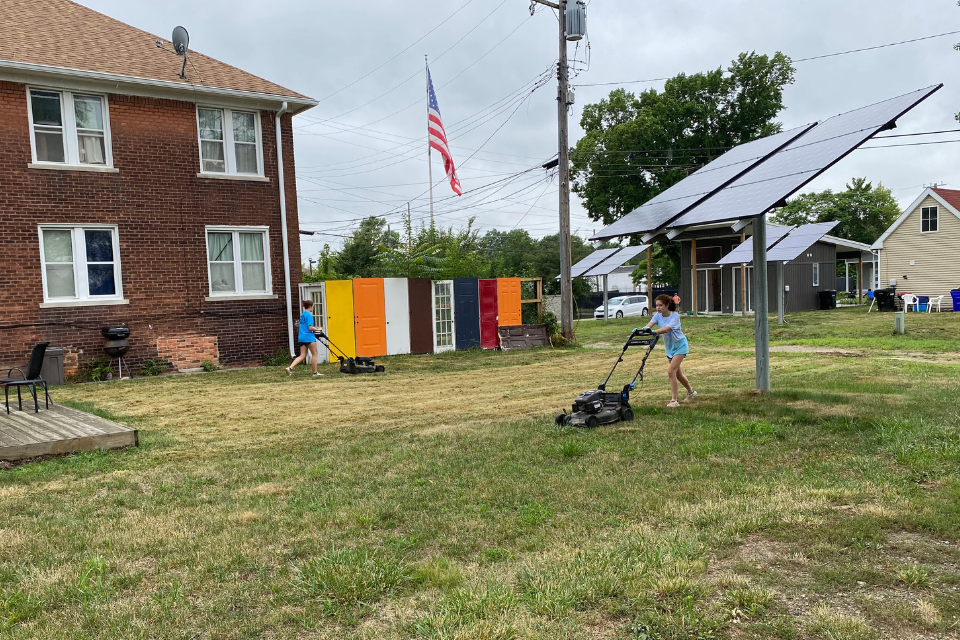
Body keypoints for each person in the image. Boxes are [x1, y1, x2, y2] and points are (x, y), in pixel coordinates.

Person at [644, 294, 695, 408]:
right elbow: (649, 325)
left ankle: (674, 401)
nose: (658, 308)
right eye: (656, 305)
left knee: (671, 372)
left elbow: (667, 329)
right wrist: (642, 330)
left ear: (667, 305)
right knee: (678, 374)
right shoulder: (657, 316)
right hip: (669, 349)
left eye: (660, 305)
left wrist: (653, 332)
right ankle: (691, 392)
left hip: (680, 345)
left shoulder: (674, 316)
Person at [287, 300, 323, 377]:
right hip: (309, 337)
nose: (313, 307)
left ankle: (290, 368)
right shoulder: (309, 315)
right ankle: (315, 373)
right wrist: (318, 329)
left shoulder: (302, 315)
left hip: (301, 337)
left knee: (302, 355)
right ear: (310, 306)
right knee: (315, 354)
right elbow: (310, 327)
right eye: (313, 306)